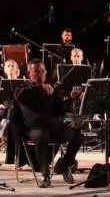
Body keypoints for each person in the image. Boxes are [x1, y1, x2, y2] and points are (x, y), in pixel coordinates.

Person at [14, 59, 83, 187]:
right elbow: (22, 96)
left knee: (77, 134)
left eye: (42, 71)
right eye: (36, 71)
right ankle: (45, 176)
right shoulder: (23, 88)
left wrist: (72, 98)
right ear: (29, 74)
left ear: (45, 73)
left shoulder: (50, 89)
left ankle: (65, 164)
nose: (40, 74)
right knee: (42, 134)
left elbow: (60, 108)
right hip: (34, 129)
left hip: (54, 128)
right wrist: (40, 87)